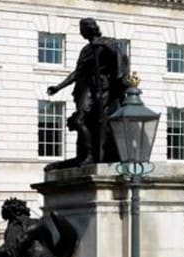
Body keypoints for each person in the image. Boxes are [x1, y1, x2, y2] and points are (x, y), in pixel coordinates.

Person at [45, 18, 130, 166]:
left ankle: (96, 154)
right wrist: (59, 87)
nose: (81, 32)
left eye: (82, 29)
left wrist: (103, 45)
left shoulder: (107, 42)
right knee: (80, 119)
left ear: (89, 29)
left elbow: (120, 58)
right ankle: (88, 155)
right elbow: (78, 72)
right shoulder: (86, 50)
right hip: (88, 87)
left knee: (98, 120)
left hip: (104, 88)